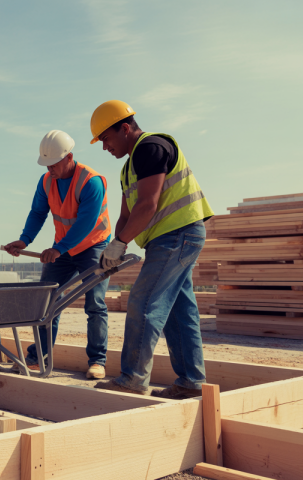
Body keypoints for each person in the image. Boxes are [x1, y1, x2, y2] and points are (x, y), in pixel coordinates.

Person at [89, 100, 214, 399]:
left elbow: (147, 205)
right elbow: (126, 214)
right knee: (179, 312)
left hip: (177, 234)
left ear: (125, 128)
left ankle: (133, 378)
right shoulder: (128, 168)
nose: (104, 147)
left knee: (143, 301)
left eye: (106, 138)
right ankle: (191, 383)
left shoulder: (151, 147)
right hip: (174, 237)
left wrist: (121, 243)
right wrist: (113, 245)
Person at [3, 130, 112, 380]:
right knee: (47, 302)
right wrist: (24, 240)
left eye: (53, 164)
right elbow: (37, 213)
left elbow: (85, 223)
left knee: (95, 304)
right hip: (62, 247)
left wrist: (58, 249)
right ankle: (37, 357)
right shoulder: (46, 181)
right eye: (46, 164)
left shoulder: (91, 182)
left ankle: (97, 362)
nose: (49, 169)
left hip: (93, 246)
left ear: (69, 157)